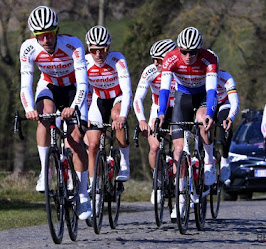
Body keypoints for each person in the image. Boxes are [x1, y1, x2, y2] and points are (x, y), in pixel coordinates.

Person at [20, 6, 91, 220]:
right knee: (44, 117)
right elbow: (26, 85)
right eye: (40, 36)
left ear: (57, 31)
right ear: (35, 36)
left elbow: (83, 83)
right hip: (48, 86)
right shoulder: (28, 48)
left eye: (49, 34)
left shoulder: (73, 44)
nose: (45, 40)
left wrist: (75, 106)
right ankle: (45, 171)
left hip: (73, 89)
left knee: (75, 140)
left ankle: (83, 194)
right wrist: (29, 109)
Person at [157, 27, 218, 218]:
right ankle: (181, 200)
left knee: (202, 121)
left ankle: (208, 161)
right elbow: (165, 91)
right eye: (184, 51)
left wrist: (209, 114)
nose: (189, 56)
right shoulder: (170, 58)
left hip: (202, 97)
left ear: (199, 50)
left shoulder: (209, 59)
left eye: (193, 52)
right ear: (179, 49)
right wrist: (160, 114)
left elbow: (211, 91)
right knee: (178, 149)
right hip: (182, 97)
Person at [85, 26, 132, 190]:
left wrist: (123, 117)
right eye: (94, 50)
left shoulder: (117, 59)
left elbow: (127, 91)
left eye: (103, 49)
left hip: (117, 98)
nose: (99, 54)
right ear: (89, 49)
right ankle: (94, 184)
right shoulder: (85, 62)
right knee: (92, 145)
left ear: (109, 48)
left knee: (116, 115)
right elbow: (83, 91)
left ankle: (125, 163)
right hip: (98, 100)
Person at [133, 39, 177, 204]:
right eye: (154, 59)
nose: (156, 63)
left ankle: (180, 184)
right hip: (158, 110)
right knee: (154, 146)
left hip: (178, 109)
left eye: (160, 60)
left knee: (178, 146)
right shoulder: (150, 71)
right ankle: (157, 182)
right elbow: (138, 98)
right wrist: (142, 120)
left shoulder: (179, 71)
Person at [214, 69, 240, 182]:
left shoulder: (226, 77)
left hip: (224, 103)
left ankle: (225, 157)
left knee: (225, 123)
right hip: (208, 103)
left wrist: (230, 118)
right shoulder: (200, 76)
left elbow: (235, 103)